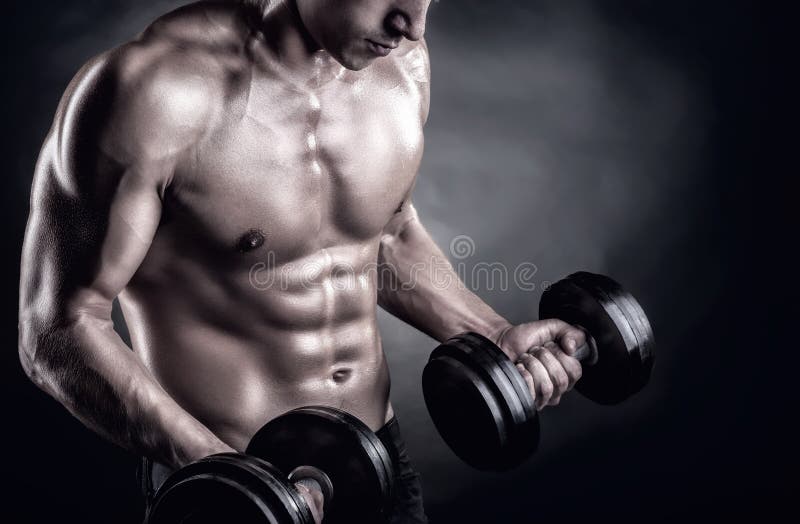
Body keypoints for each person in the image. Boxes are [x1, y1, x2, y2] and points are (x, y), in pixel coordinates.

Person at [18, 1, 585, 522]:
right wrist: (225, 475)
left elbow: (384, 237)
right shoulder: (154, 92)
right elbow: (59, 328)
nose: (412, 24)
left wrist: (490, 332)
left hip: (375, 463)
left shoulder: (403, 67)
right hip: (230, 479)